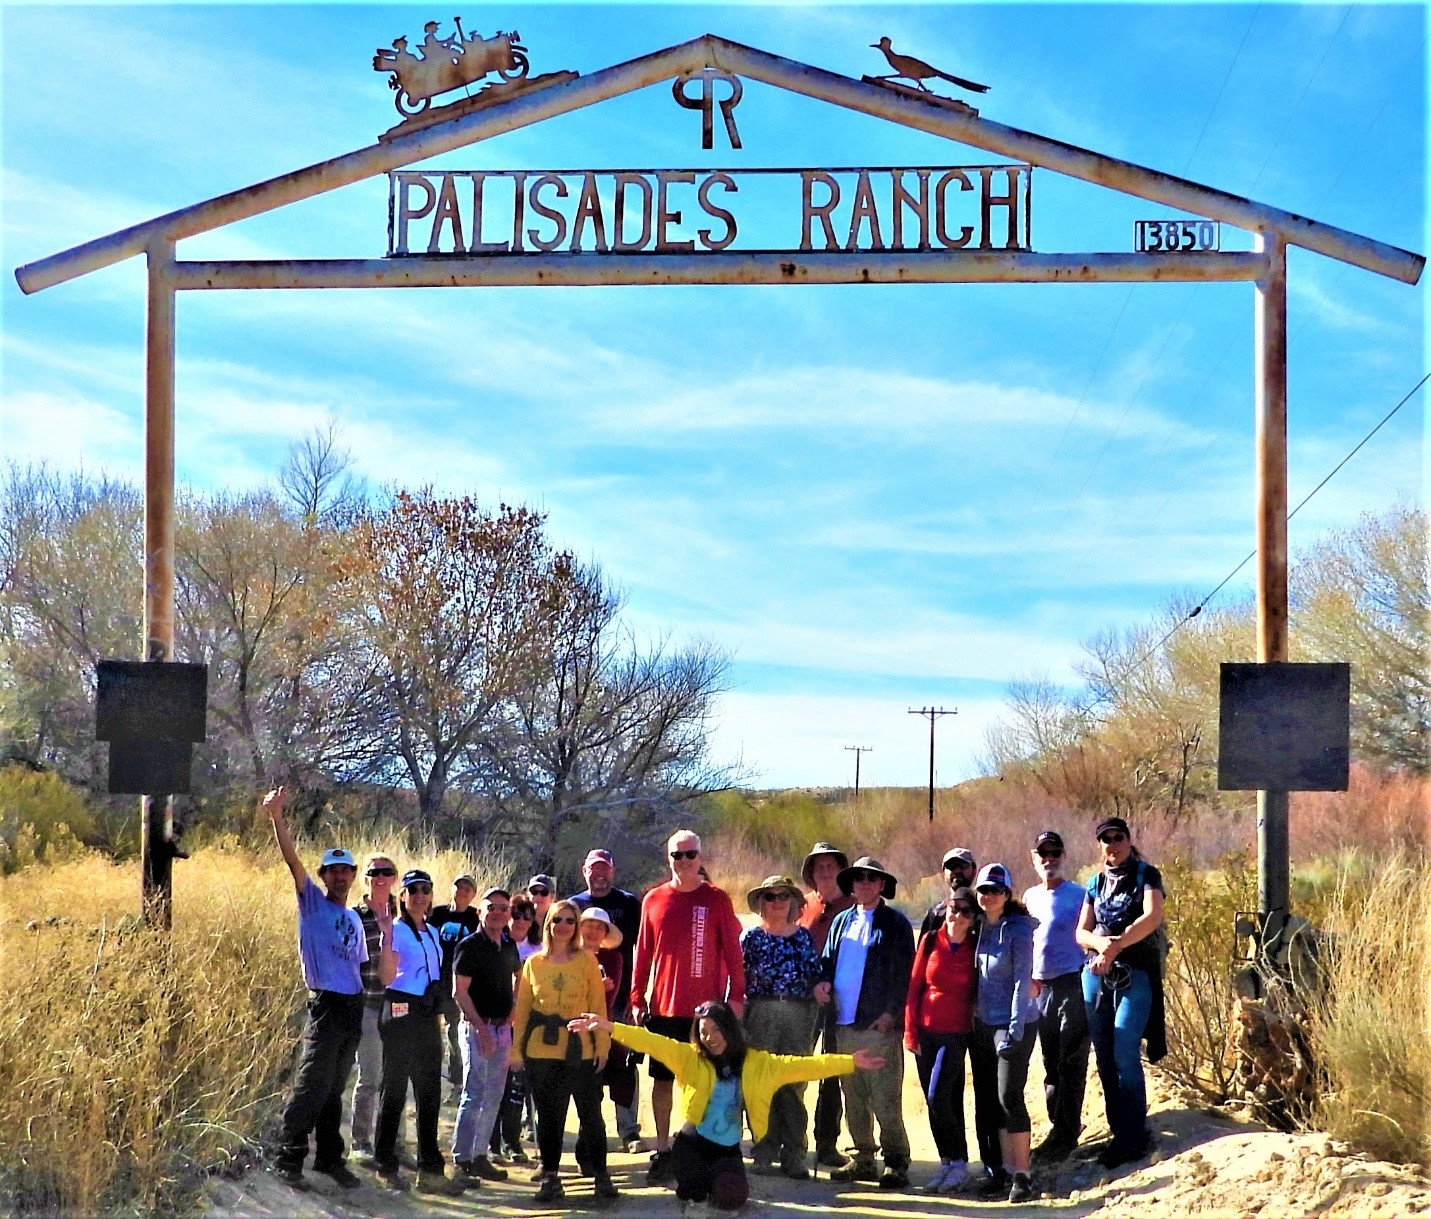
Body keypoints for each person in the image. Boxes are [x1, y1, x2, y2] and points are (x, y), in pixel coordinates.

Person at [568, 1002, 888, 1214]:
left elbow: (804, 1066)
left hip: (727, 1148)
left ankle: (714, 1181)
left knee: (732, 1197)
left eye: (717, 1030)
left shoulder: (757, 1063)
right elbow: (651, 1041)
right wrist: (608, 1026)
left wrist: (850, 1062)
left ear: (729, 1030)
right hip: (692, 1143)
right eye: (704, 1032)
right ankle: (693, 1179)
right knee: (691, 1194)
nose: (711, 1038)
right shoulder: (690, 1058)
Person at [263, 786, 367, 1191]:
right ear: (324, 876)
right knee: (313, 1083)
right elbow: (291, 860)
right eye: (333, 870)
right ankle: (288, 1157)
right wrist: (277, 816)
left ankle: (328, 1158)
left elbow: (360, 968)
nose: (339, 876)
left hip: (352, 1005)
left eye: (345, 870)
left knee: (336, 1087)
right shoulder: (312, 902)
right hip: (325, 1002)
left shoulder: (355, 920)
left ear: (352, 875)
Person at [629, 830, 746, 1185]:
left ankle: (705, 1148)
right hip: (664, 1009)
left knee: (708, 1083)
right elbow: (643, 952)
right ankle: (663, 1149)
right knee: (662, 1082)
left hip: (705, 1014)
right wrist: (637, 997)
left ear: (700, 857)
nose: (683, 862)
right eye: (676, 856)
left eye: (689, 855)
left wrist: (736, 996)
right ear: (668, 859)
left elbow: (732, 952)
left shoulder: (717, 899)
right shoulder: (653, 899)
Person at [510, 899, 619, 1204]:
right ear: (548, 925)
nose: (563, 926)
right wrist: (516, 1051)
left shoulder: (586, 961)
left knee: (591, 1116)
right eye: (557, 920)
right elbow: (523, 1012)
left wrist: (602, 1045)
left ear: (576, 927)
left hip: (580, 1049)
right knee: (549, 1117)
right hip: (542, 1050)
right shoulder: (533, 963)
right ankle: (551, 1177)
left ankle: (600, 1175)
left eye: (570, 921)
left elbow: (598, 1006)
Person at [1076, 817, 1166, 1170]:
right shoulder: (1095, 883)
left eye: (1117, 837)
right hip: (1096, 975)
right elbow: (1081, 932)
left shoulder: (1147, 875)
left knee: (1125, 1046)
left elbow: (1152, 916)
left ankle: (1134, 1133)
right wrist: (1101, 946)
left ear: (1129, 840)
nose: (1112, 844)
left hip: (1135, 973)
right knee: (1104, 1054)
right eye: (1105, 840)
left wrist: (1116, 946)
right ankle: (1118, 1134)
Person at [821, 856, 915, 1189]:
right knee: (854, 1097)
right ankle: (862, 1159)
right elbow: (827, 963)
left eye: (872, 879)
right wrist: (822, 984)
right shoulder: (841, 921)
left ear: (882, 885)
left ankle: (896, 1161)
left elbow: (904, 974)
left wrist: (892, 1013)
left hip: (878, 1026)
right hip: (843, 1024)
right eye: (859, 878)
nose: (865, 884)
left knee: (884, 1097)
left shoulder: (896, 924)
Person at [373, 869, 462, 1195]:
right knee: (394, 1090)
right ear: (403, 895)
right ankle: (385, 1163)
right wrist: (385, 938)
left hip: (426, 1014)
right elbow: (386, 978)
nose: (419, 896)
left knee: (429, 1092)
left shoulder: (432, 933)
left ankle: (430, 1169)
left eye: (425, 890)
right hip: (400, 1012)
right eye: (413, 890)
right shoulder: (396, 929)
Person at [740, 875, 825, 1179]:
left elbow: (815, 973)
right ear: (762, 903)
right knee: (761, 1083)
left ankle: (794, 1153)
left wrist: (820, 988)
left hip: (797, 1013)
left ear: (792, 902)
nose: (777, 902)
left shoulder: (802, 937)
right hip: (760, 1012)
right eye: (771, 897)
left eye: (783, 897)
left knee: (792, 1083)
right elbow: (738, 980)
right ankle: (763, 1150)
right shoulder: (750, 938)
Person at [970, 862, 1040, 1203]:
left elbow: (1021, 981)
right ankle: (1006, 1172)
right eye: (984, 890)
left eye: (996, 890)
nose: (989, 896)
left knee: (1009, 1096)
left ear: (1007, 894)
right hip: (983, 1024)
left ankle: (1024, 1175)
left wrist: (1013, 1029)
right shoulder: (978, 928)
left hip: (1016, 1024)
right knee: (993, 1102)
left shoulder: (1019, 930)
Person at [904, 886, 979, 1195]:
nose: (956, 914)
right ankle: (945, 1163)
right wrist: (910, 1031)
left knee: (940, 1096)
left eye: (964, 910)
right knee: (933, 1101)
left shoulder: (974, 947)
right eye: (953, 907)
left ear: (973, 918)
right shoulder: (931, 940)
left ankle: (960, 1161)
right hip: (925, 1029)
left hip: (955, 1031)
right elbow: (913, 987)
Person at [1022, 831, 1091, 1164]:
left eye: (1055, 852)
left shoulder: (1079, 894)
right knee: (1050, 1062)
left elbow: (1093, 933)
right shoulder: (1029, 897)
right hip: (1040, 988)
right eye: (1042, 853)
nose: (1049, 859)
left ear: (1064, 856)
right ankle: (1057, 1128)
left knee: (1071, 1060)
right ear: (1033, 858)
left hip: (1073, 983)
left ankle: (1066, 1132)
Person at [570, 848, 645, 1152]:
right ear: (583, 871)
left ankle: (629, 1131)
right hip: (577, 1003)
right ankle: (591, 1130)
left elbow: (644, 946)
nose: (599, 875)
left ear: (613, 871)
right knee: (584, 1064)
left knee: (623, 1063)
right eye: (593, 869)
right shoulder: (574, 905)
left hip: (620, 998)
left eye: (604, 869)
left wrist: (639, 994)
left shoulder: (627, 904)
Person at [450, 887, 519, 1184]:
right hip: (477, 1028)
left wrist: (514, 1011)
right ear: (481, 912)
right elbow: (459, 992)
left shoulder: (508, 945)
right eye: (492, 907)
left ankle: (480, 1156)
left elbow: (519, 977)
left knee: (494, 1094)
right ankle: (462, 1159)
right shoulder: (469, 946)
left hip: (502, 1027)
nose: (498, 912)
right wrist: (480, 1028)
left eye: (504, 908)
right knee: (474, 1092)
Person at [797, 841, 854, 1169]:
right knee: (794, 1069)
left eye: (832, 866)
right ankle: (790, 1139)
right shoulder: (801, 906)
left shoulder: (853, 906)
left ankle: (827, 1143)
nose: (826, 872)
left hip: (841, 1002)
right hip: (803, 1001)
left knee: (831, 1072)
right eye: (820, 867)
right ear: (811, 873)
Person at [351, 853, 403, 1159]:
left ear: (394, 877)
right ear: (366, 878)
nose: (380, 877)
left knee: (397, 1077)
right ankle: (360, 1142)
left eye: (386, 871)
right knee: (369, 1076)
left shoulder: (403, 911)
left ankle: (395, 1142)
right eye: (374, 872)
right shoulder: (354, 916)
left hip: (398, 1004)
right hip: (368, 1002)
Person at [574, 906, 629, 1174]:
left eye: (599, 927)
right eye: (588, 925)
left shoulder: (614, 959)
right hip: (573, 1031)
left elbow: (610, 993)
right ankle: (585, 1153)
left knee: (597, 1092)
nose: (593, 931)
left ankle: (592, 1155)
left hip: (602, 1028)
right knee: (586, 1093)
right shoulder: (568, 956)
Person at [489, 895, 538, 1165]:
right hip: (498, 1023)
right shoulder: (498, 943)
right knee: (496, 1084)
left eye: (526, 916)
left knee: (517, 1089)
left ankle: (512, 1142)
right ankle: (491, 1144)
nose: (520, 921)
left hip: (526, 1027)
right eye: (516, 914)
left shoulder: (538, 948)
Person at [431, 874, 481, 1097]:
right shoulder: (437, 914)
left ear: (473, 895)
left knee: (454, 1033)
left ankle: (457, 1083)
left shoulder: (475, 918)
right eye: (458, 887)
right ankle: (430, 1076)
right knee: (431, 1031)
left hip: (458, 982)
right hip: (434, 980)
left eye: (467, 889)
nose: (462, 892)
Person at [920, 847, 978, 940]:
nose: (957, 871)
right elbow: (922, 953)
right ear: (943, 874)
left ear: (974, 870)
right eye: (951, 866)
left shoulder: (984, 912)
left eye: (962, 865)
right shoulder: (936, 914)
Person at [524, 874, 555, 949]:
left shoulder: (558, 922)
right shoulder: (519, 920)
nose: (538, 896)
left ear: (552, 896)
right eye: (534, 892)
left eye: (544, 892)